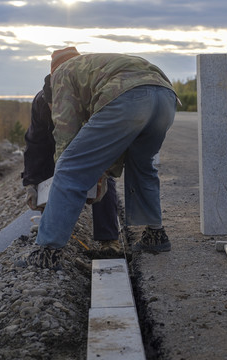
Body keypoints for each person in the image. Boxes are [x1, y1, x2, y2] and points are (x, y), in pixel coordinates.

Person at [23, 47, 177, 269]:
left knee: (69, 166)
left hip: (127, 96)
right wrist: (102, 173)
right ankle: (155, 235)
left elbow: (67, 138)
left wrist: (73, 179)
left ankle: (47, 252)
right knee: (142, 166)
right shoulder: (93, 67)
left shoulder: (60, 76)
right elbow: (110, 145)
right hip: (165, 96)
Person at [21, 74, 122, 255]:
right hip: (57, 145)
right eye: (52, 105)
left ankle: (109, 240)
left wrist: (104, 173)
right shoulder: (40, 104)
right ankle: (50, 227)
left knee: (102, 180)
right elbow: (35, 144)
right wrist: (30, 182)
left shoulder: (91, 100)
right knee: (50, 173)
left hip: (89, 143)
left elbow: (107, 142)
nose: (55, 110)